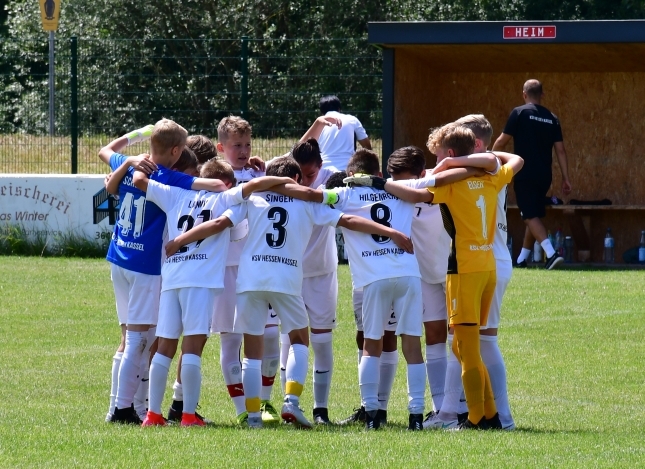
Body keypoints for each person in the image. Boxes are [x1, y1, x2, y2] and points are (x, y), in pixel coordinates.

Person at [166, 157, 412, 429]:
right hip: (286, 278)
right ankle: (291, 401)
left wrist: (179, 240)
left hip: (250, 280)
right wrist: (391, 232)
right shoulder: (305, 203)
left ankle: (253, 416)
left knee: (251, 351)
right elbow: (350, 220)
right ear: (295, 179)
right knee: (299, 339)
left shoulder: (252, 198)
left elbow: (219, 223)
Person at [347, 124, 523, 430]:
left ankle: (475, 416)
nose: (436, 160)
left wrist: (381, 183)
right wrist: (465, 162)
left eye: (440, 155)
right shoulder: (488, 176)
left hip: (463, 269)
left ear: (450, 154)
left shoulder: (447, 185)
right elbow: (513, 160)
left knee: (468, 345)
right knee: (460, 343)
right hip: (473, 267)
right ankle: (469, 413)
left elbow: (419, 192)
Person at [133, 159, 292, 427]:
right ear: (227, 183)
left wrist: (139, 163)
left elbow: (139, 180)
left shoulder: (176, 194)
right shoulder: (226, 197)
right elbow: (254, 185)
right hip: (201, 280)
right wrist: (286, 181)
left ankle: (153, 415)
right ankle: (188, 415)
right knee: (192, 347)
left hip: (172, 276)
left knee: (165, 346)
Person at [98, 119, 225, 424]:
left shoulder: (132, 164)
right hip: (145, 265)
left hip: (119, 256)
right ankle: (122, 409)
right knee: (139, 340)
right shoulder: (167, 178)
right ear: (177, 151)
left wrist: (137, 139)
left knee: (131, 337)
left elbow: (106, 150)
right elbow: (214, 186)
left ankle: (132, 407)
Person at [424, 115, 516, 430]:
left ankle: (498, 417)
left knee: (481, 342)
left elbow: (508, 158)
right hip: (484, 260)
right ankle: (454, 412)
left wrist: (451, 163)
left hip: (485, 260)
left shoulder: (482, 170)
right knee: (462, 342)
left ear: (476, 144)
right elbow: (512, 159)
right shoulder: (485, 169)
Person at [492, 79, 571, 269]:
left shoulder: (519, 113)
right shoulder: (552, 118)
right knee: (533, 213)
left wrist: (490, 161)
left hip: (524, 173)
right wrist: (566, 178)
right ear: (542, 95)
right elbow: (561, 150)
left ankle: (551, 254)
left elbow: (501, 142)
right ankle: (522, 259)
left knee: (528, 215)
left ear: (524, 94)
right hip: (544, 175)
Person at [317, 95, 371, 172]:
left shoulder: (317, 125)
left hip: (324, 170)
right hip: (347, 170)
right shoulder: (352, 120)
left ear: (322, 112)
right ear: (339, 109)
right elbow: (367, 147)